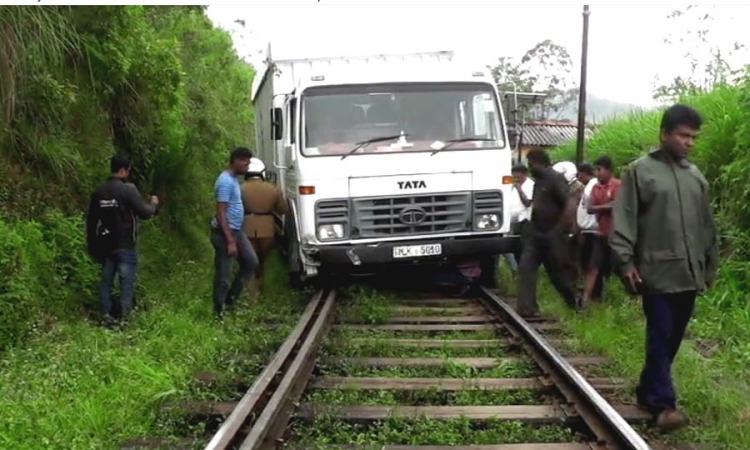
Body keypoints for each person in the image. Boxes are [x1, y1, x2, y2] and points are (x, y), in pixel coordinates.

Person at [610, 104, 718, 432]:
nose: (690, 143)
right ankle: (665, 404)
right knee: (660, 335)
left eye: (694, 137)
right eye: (684, 135)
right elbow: (624, 220)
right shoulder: (640, 172)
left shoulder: (695, 177)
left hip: (688, 273)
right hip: (654, 273)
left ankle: (647, 391)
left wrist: (709, 266)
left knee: (671, 338)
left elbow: (707, 227)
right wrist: (625, 261)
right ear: (665, 134)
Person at [86, 154, 159, 327]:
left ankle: (106, 315)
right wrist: (154, 204)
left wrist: (92, 245)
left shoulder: (99, 191)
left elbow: (91, 222)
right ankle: (125, 319)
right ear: (123, 171)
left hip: (106, 246)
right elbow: (145, 212)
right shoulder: (128, 190)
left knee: (107, 282)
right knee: (127, 283)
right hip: (126, 245)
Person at [517, 149, 581, 317]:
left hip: (553, 233)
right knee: (526, 267)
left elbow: (569, 203)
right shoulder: (538, 181)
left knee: (559, 273)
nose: (529, 168)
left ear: (540, 162)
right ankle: (527, 308)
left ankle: (576, 304)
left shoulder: (555, 178)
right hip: (536, 233)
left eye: (531, 164)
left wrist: (560, 229)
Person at [211, 147, 258, 319]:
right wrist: (230, 240)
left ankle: (231, 300)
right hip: (224, 233)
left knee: (251, 262)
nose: (247, 165)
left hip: (236, 232)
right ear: (236, 161)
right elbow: (221, 212)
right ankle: (219, 311)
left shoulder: (233, 180)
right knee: (224, 273)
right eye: (245, 161)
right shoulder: (225, 181)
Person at [241, 157, 288, 297]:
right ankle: (264, 289)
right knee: (264, 261)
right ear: (262, 173)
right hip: (267, 229)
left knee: (249, 261)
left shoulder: (240, 189)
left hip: (246, 228)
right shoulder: (273, 189)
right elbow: (283, 209)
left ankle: (252, 293)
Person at [583, 156, 621, 305]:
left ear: (609, 170)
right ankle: (586, 301)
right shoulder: (596, 187)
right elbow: (589, 208)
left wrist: (601, 207)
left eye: (600, 169)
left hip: (616, 234)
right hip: (601, 233)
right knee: (593, 266)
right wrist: (607, 207)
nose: (598, 173)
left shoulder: (618, 185)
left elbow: (617, 205)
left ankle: (623, 299)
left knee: (617, 268)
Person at [576, 162, 604, 301]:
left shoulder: (592, 185)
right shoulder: (589, 186)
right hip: (587, 230)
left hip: (592, 230)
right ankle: (593, 295)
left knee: (591, 265)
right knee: (589, 264)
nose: (579, 178)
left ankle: (593, 295)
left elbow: (590, 207)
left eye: (580, 174)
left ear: (585, 173)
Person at [505, 164, 534, 273]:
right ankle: (516, 270)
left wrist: (519, 189)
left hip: (524, 221)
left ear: (524, 174)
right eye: (514, 176)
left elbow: (527, 203)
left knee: (521, 247)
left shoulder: (530, 185)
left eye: (518, 177)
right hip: (512, 220)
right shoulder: (512, 183)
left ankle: (520, 270)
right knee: (510, 246)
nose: (516, 179)